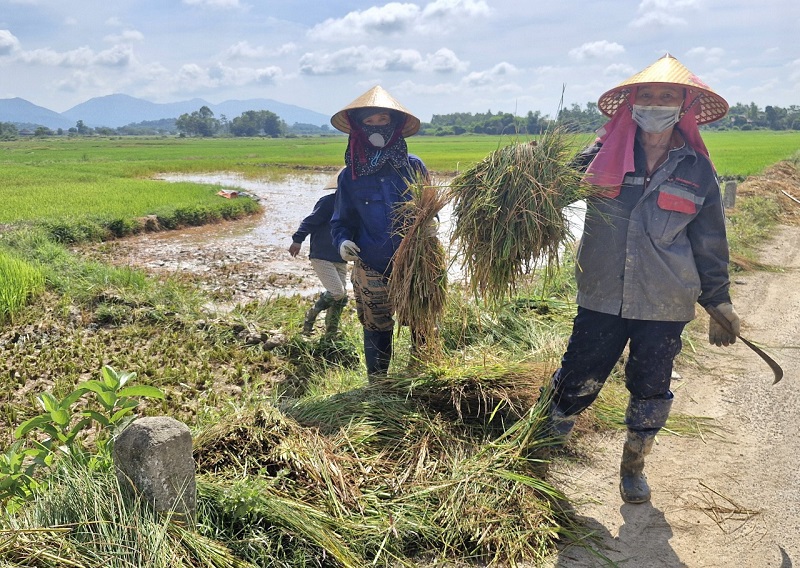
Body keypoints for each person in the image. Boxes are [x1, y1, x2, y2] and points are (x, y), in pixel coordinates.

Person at [542, 54, 741, 504]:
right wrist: (524, 176)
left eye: (666, 96)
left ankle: (634, 466)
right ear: (631, 103)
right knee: (578, 377)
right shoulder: (599, 156)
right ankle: (540, 450)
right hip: (602, 293)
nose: (655, 103)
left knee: (651, 385)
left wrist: (719, 302)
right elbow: (546, 196)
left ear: (684, 105)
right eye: (646, 95)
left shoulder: (697, 170)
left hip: (666, 298)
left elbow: (709, 240)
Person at [329, 85, 428, 381]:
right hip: (372, 263)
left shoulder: (413, 167)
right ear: (358, 127)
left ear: (394, 124)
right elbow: (340, 220)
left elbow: (428, 210)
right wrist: (342, 241)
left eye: (382, 120)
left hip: (416, 261)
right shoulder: (350, 176)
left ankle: (422, 379)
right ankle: (379, 385)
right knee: (376, 328)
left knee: (422, 323)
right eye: (369, 122)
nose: (376, 127)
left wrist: (428, 231)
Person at [289, 169, 348, 338]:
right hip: (322, 254)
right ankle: (311, 316)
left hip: (341, 257)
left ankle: (330, 332)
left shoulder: (354, 207)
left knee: (341, 298)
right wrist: (297, 239)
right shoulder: (328, 202)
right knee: (337, 292)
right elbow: (310, 221)